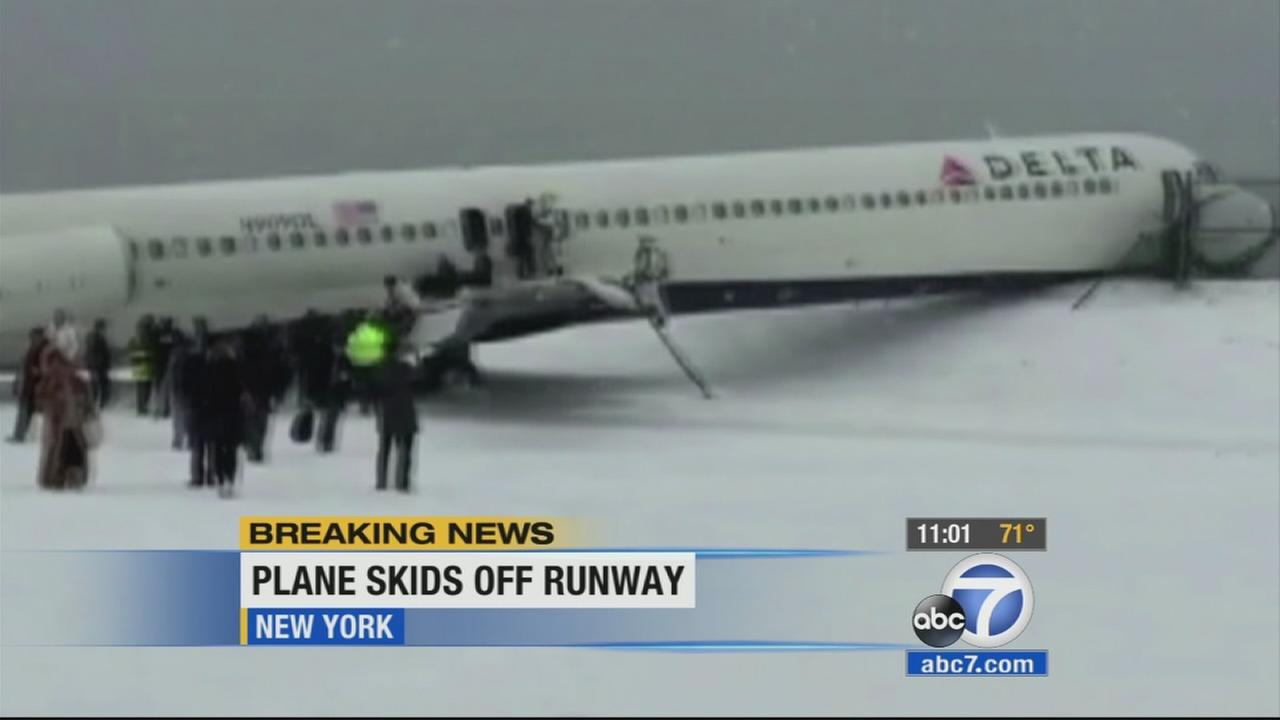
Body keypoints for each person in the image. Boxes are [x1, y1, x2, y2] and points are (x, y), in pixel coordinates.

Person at [34, 344, 94, 490]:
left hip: (63, 422)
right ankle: (71, 477)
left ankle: (56, 478)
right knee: (71, 450)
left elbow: (41, 401)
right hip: (71, 422)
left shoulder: (52, 379)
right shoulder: (73, 376)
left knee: (60, 449)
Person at [200, 337, 248, 497]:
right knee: (231, 450)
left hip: (215, 415)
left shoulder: (208, 370)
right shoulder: (237, 370)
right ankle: (230, 479)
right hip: (233, 415)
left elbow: (204, 394)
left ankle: (220, 479)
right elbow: (241, 391)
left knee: (218, 450)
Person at [373, 344, 419, 492]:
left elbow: (375, 390)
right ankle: (402, 482)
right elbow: (423, 382)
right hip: (405, 413)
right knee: (404, 449)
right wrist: (418, 360)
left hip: (387, 413)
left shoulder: (380, 370)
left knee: (384, 449)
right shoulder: (406, 369)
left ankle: (381, 480)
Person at [177, 317, 214, 487]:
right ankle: (209, 474)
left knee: (199, 444)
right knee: (207, 444)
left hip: (197, 406)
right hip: (205, 406)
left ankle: (199, 476)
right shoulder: (211, 363)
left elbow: (183, 385)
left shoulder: (189, 363)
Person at [238, 315, 276, 463]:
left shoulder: (249, 346)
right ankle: (255, 447)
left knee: (255, 421)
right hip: (258, 389)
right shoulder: (264, 348)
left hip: (255, 389)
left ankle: (254, 447)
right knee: (258, 422)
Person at [7, 328, 49, 443]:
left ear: (40, 336)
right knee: (25, 411)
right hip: (29, 386)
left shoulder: (45, 349)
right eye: (31, 336)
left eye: (34, 336)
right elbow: (24, 366)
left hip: (38, 386)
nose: (32, 339)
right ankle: (19, 434)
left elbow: (48, 367)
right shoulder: (32, 348)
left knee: (46, 412)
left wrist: (39, 371)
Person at [127, 316, 156, 415]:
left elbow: (130, 350)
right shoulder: (148, 337)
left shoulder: (134, 338)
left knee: (140, 388)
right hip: (146, 365)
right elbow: (152, 350)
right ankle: (143, 407)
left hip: (137, 366)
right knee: (146, 388)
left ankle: (140, 408)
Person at [151, 317, 177, 419]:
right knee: (167, 390)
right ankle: (165, 410)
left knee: (159, 390)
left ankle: (160, 410)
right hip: (166, 365)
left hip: (159, 365)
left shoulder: (158, 334)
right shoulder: (171, 335)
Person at [84, 319, 113, 409]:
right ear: (100, 328)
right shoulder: (97, 338)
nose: (104, 330)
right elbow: (97, 352)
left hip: (94, 365)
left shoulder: (92, 337)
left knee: (96, 385)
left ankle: (95, 404)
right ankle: (98, 404)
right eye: (103, 328)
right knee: (100, 385)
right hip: (98, 366)